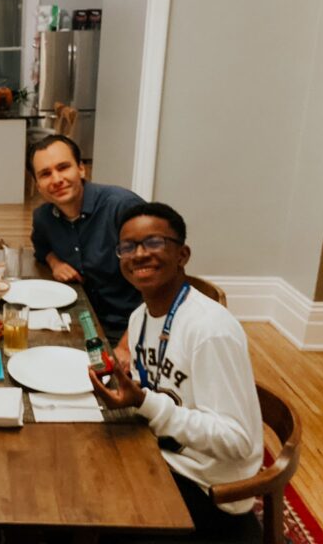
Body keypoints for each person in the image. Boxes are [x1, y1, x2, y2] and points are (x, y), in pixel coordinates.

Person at [90, 202, 264, 543]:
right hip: (161, 455)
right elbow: (157, 385)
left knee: (93, 511)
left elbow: (239, 442)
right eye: (128, 247)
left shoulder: (210, 330)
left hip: (208, 488)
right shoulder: (140, 316)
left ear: (182, 254)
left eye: (154, 243)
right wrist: (131, 390)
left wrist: (147, 403)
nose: (139, 254)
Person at [28, 134, 145, 346]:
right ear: (38, 185)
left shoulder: (122, 207)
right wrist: (56, 263)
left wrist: (127, 345)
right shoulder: (43, 217)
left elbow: (160, 282)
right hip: (79, 320)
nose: (56, 180)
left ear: (81, 169)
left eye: (63, 167)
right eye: (45, 174)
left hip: (131, 327)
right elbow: (41, 246)